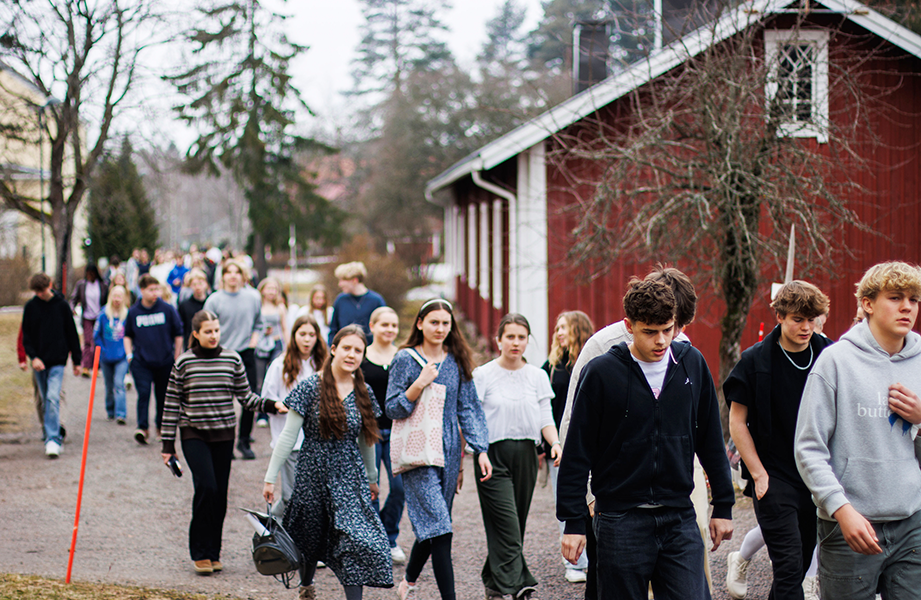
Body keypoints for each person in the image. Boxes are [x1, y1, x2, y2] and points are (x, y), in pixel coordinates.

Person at [558, 278, 734, 600]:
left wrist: (723, 503)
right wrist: (573, 521)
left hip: (678, 516)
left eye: (668, 329)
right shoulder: (601, 373)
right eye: (650, 331)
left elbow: (710, 438)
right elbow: (577, 452)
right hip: (620, 521)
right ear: (629, 326)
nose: (661, 340)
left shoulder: (691, 364)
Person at [795, 261, 921, 600]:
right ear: (867, 303)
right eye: (895, 297)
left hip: (913, 523)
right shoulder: (835, 362)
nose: (907, 306)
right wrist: (840, 509)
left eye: (914, 299)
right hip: (849, 525)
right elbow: (808, 448)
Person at [263, 325, 393, 600]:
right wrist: (271, 476)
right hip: (313, 470)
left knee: (353, 538)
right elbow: (288, 436)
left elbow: (366, 439)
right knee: (312, 534)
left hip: (349, 474)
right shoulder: (310, 386)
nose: (352, 354)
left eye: (358, 350)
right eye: (346, 348)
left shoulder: (365, 392)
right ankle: (306, 585)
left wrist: (372, 478)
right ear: (333, 350)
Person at [724, 280, 832, 600]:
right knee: (787, 564)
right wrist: (758, 474)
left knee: (797, 567)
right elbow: (737, 421)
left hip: (813, 475)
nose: (806, 327)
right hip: (773, 475)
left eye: (811, 319)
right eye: (798, 319)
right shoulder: (755, 360)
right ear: (780, 316)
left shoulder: (827, 353)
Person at [161, 310, 285, 575]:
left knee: (219, 495)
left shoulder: (232, 359)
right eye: (208, 331)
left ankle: (213, 553)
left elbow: (247, 397)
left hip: (224, 435)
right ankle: (199, 552)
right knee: (206, 486)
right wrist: (167, 446)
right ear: (195, 334)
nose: (213, 335)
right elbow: (171, 404)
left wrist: (272, 405)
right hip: (194, 434)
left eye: (216, 330)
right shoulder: (184, 363)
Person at [386, 298, 493, 600]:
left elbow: (468, 408)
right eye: (434, 322)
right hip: (418, 452)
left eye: (446, 323)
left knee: (434, 524)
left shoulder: (456, 361)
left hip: (447, 452)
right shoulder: (405, 359)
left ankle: (408, 579)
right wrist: (418, 384)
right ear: (420, 323)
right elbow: (392, 408)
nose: (440, 328)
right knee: (441, 529)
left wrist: (480, 449)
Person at [474, 313, 561, 599]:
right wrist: (478, 451)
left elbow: (545, 417)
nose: (515, 342)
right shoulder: (483, 374)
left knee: (516, 523)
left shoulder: (537, 376)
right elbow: (472, 419)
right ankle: (518, 583)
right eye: (510, 336)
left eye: (521, 337)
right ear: (498, 340)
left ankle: (494, 582)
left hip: (525, 454)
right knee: (507, 522)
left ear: (528, 341)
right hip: (491, 457)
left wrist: (555, 443)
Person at [542, 310, 594, 584]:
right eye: (557, 327)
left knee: (594, 500)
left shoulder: (594, 362)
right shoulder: (551, 365)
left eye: (564, 327)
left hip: (589, 443)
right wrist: (549, 443)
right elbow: (543, 408)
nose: (559, 332)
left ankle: (594, 555)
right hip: (558, 446)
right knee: (565, 500)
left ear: (579, 329)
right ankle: (574, 562)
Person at [261, 315, 327, 519]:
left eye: (311, 335)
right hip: (291, 440)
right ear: (294, 336)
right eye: (302, 334)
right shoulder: (280, 365)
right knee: (291, 496)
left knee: (314, 498)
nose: (307, 339)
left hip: (317, 441)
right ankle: (270, 526)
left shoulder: (322, 365)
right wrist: (281, 406)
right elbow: (266, 399)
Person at [360, 306, 406, 564]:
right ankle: (375, 542)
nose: (389, 330)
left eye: (394, 325)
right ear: (373, 326)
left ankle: (389, 535)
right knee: (371, 488)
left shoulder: (402, 356)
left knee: (400, 488)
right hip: (369, 433)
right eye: (384, 325)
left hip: (398, 430)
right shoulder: (362, 356)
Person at [203, 258, 262, 459]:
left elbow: (258, 323)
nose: (233, 276)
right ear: (223, 276)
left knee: (250, 398)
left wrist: (253, 343)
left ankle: (244, 441)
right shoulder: (214, 300)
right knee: (221, 400)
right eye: (229, 272)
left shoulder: (253, 297)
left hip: (246, 352)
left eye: (237, 272)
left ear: (243, 275)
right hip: (221, 353)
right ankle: (223, 441)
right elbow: (206, 328)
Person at [21, 273, 81, 458]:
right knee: (44, 399)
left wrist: (77, 361)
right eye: (37, 292)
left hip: (57, 361)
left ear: (50, 285)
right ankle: (49, 431)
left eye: (43, 290)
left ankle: (53, 439)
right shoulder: (31, 307)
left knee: (53, 398)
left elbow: (71, 333)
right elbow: (27, 336)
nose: (41, 294)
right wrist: (33, 357)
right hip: (39, 362)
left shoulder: (62, 306)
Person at [124, 274, 183, 445]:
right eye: (151, 290)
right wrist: (129, 356)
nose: (155, 293)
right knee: (143, 394)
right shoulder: (134, 312)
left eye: (157, 289)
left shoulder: (167, 309)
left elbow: (178, 333)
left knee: (162, 396)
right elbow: (127, 335)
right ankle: (142, 428)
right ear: (142, 291)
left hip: (165, 361)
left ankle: (160, 427)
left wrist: (177, 356)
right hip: (141, 362)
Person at [93, 285, 130, 424]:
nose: (117, 299)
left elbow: (131, 335)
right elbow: (96, 335)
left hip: (122, 357)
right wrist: (102, 349)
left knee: (119, 383)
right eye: (114, 296)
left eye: (120, 296)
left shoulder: (127, 315)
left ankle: (121, 414)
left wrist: (129, 352)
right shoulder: (103, 314)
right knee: (109, 386)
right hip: (106, 356)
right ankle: (110, 411)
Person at [254, 276, 288, 427]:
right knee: (260, 380)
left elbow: (285, 328)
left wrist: (288, 346)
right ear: (262, 290)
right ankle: (262, 413)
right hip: (261, 345)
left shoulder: (280, 307)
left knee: (275, 375)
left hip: (276, 343)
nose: (272, 291)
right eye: (269, 288)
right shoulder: (257, 306)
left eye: (274, 289)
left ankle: (275, 408)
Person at [328, 262, 385, 345]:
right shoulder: (340, 300)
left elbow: (384, 328)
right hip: (345, 350)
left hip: (370, 352)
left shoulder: (376, 300)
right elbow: (333, 330)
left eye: (343, 280)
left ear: (354, 280)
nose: (339, 284)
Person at [70, 264, 109, 377]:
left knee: (98, 341)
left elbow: (106, 300)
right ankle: (86, 366)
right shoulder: (81, 285)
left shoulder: (103, 285)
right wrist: (72, 308)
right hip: (87, 317)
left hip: (99, 317)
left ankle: (97, 366)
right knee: (88, 341)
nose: (90, 276)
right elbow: (74, 298)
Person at [178, 269, 210, 350]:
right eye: (194, 284)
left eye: (200, 283)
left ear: (206, 284)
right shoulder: (185, 305)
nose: (197, 287)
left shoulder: (212, 302)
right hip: (192, 345)